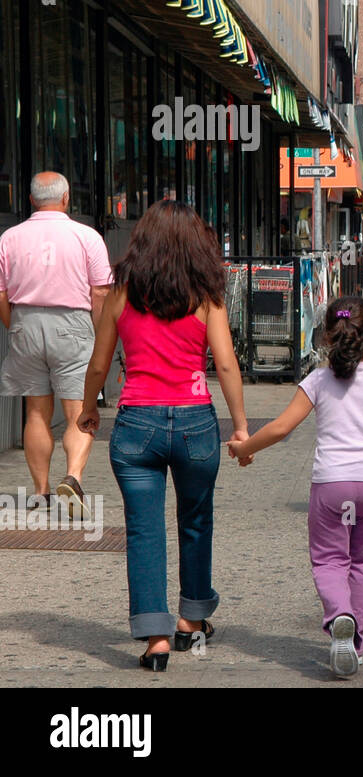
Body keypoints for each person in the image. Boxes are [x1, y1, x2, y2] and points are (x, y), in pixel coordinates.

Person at [75, 199, 250, 671]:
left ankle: (155, 638)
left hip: (136, 425)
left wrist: (89, 409)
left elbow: (99, 362)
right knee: (196, 520)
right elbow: (227, 363)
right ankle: (191, 621)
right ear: (197, 244)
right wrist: (239, 425)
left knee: (143, 530)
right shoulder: (206, 295)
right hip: (195, 421)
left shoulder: (123, 292)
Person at [227, 296, 363, 678]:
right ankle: (356, 643)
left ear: (328, 337)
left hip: (332, 485)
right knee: (360, 559)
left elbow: (281, 428)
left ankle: (339, 615)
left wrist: (245, 448)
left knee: (330, 559)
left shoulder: (316, 381)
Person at [0, 172, 113, 511]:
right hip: (73, 323)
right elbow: (101, 291)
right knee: (77, 409)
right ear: (66, 199)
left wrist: (15, 325)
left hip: (25, 323)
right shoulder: (86, 236)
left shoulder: (9, 237)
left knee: (36, 411)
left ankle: (40, 490)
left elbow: (1, 294)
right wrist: (98, 333)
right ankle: (73, 476)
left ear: (32, 200)